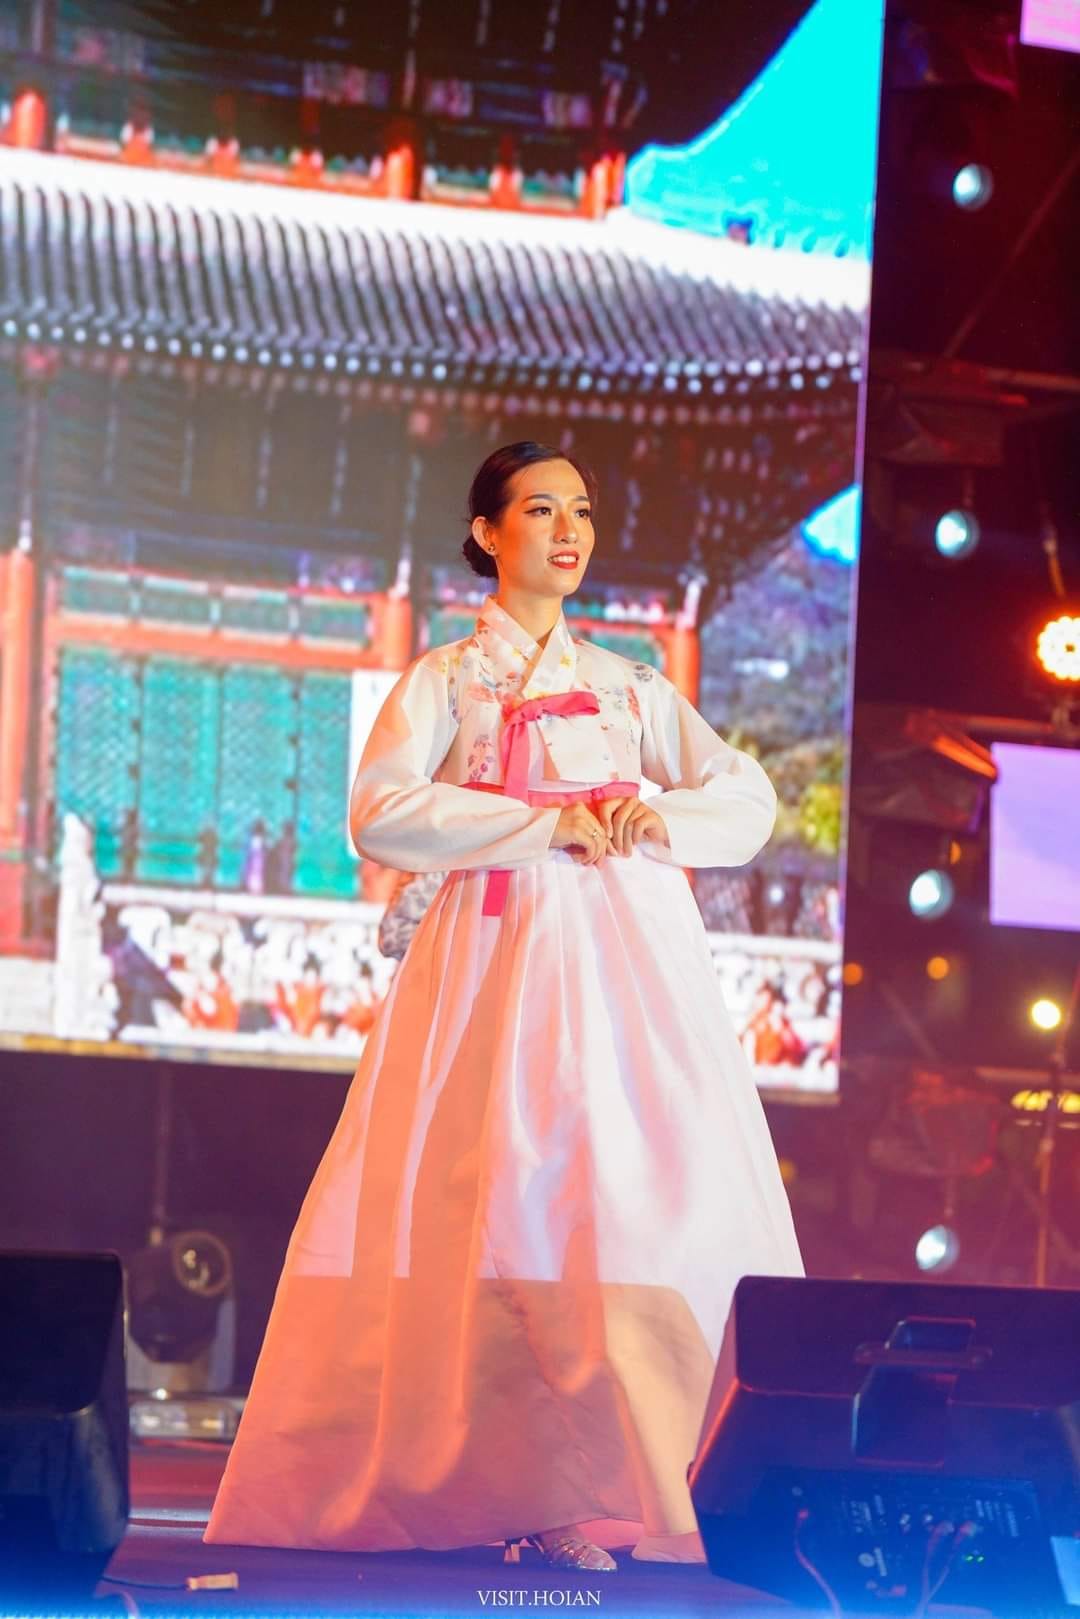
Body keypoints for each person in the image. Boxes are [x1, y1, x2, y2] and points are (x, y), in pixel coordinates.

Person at [204, 441, 802, 1571]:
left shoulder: (630, 684)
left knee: (635, 1197)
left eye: (581, 510)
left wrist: (657, 818)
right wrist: (538, 823)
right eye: (540, 510)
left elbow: (746, 793)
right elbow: (382, 811)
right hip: (497, 954)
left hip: (627, 967)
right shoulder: (448, 678)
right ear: (487, 532)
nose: (568, 531)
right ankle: (500, 1482)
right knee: (498, 1197)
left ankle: (650, 1477)